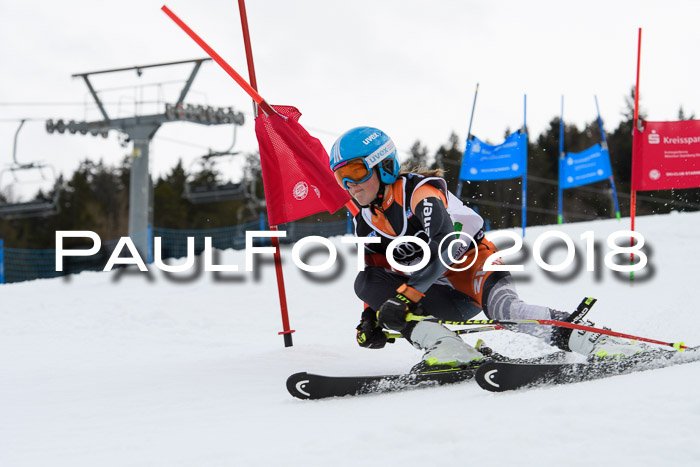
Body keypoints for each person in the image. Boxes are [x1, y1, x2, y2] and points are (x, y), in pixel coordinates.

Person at [329, 126, 646, 371]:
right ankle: (445, 347)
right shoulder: (366, 218)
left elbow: (444, 246)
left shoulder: (418, 193)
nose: (350, 184)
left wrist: (406, 297)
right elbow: (374, 275)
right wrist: (369, 318)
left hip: (475, 269)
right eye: (341, 176)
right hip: (433, 291)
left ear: (383, 166)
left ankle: (590, 337)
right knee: (365, 280)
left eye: (356, 172)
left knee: (504, 312)